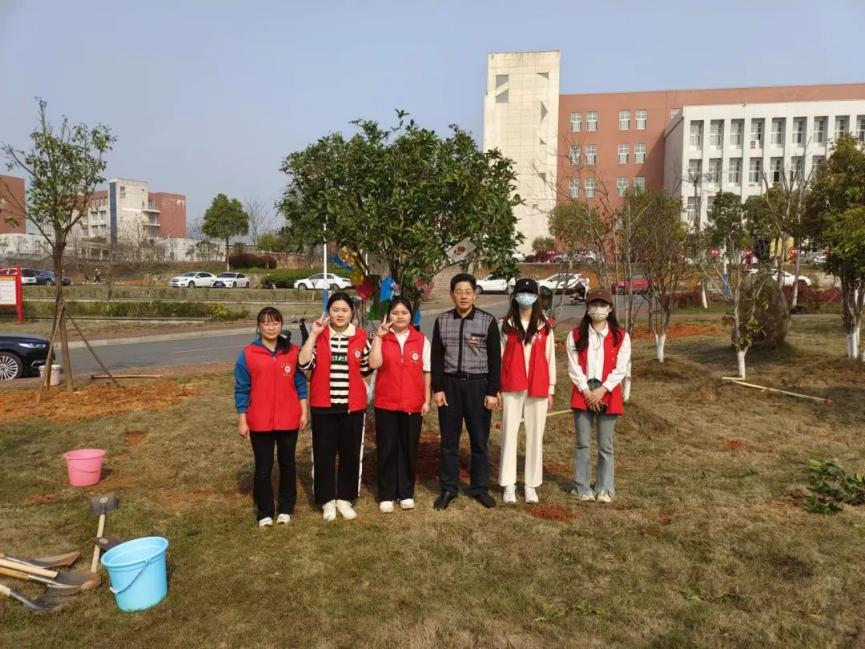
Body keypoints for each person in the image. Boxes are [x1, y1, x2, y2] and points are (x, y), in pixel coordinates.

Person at [298, 292, 373, 521]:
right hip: (323, 406)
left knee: (351, 454)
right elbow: (304, 363)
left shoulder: (361, 337)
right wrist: (313, 334)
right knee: (324, 454)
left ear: (352, 312)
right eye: (335, 310)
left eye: (344, 310)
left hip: (352, 407)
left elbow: (367, 368)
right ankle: (327, 499)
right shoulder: (319, 336)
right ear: (328, 312)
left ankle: (345, 498)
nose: (340, 314)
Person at [430, 273, 501, 510]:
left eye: (468, 292)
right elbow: (436, 357)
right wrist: (438, 388)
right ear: (452, 294)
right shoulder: (442, 320)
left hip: (478, 387)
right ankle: (448, 488)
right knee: (449, 441)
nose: (463, 296)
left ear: (475, 295)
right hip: (450, 386)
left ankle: (480, 488)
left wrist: (492, 391)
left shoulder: (487, 321)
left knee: (479, 440)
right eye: (459, 292)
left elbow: (495, 359)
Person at [234, 307, 308, 527]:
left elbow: (300, 383)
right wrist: (242, 419)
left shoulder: (292, 351)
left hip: (289, 418)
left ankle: (286, 508)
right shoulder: (248, 354)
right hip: (260, 420)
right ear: (259, 326)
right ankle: (265, 511)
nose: (271, 327)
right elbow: (242, 389)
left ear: (281, 325)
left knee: (287, 464)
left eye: (275, 322)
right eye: (266, 323)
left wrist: (304, 411)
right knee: (263, 467)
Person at [566, 289, 631, 503]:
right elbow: (574, 367)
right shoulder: (575, 335)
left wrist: (602, 390)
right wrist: (587, 392)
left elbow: (621, 368)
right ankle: (582, 486)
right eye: (594, 305)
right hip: (583, 390)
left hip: (607, 391)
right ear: (587, 308)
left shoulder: (621, 336)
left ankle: (605, 487)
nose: (598, 309)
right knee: (582, 443)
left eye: (603, 305)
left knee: (605, 444)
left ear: (610, 308)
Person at [368, 297, 431, 513]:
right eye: (395, 313)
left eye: (404, 313)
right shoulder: (382, 338)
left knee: (408, 448)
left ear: (411, 315)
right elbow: (374, 363)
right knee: (386, 448)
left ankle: (406, 492)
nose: (400, 317)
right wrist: (379, 337)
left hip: (413, 403)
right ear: (388, 316)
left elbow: (427, 372)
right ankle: (386, 494)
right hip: (386, 402)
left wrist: (427, 400)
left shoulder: (421, 340)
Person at [497, 279, 556, 504]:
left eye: (530, 293)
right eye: (522, 292)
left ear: (536, 297)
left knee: (535, 436)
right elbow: (499, 357)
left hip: (538, 385)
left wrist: (550, 389)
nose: (525, 296)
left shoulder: (545, 326)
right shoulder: (505, 324)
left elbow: (550, 358)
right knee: (509, 434)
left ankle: (531, 485)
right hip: (511, 384)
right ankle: (508, 484)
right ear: (515, 296)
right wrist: (497, 388)